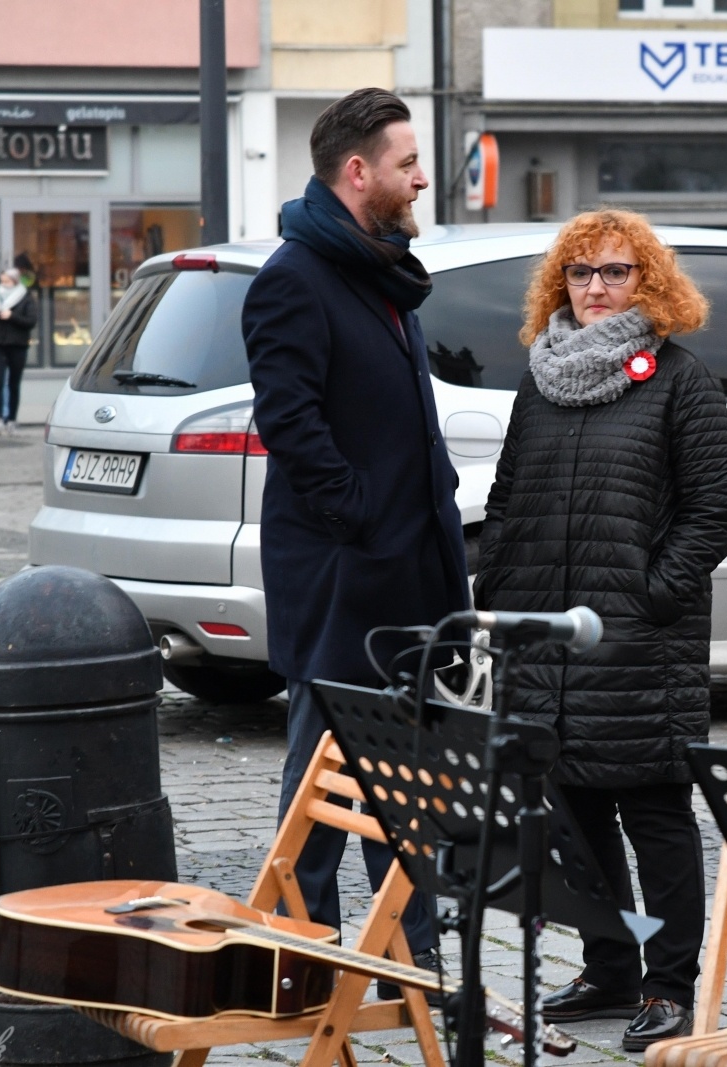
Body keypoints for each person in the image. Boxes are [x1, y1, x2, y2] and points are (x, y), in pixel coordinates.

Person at [476, 209, 727, 1050]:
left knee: (654, 817)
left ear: (648, 282)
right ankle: (609, 967)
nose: (597, 287)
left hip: (637, 641)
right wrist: (500, 590)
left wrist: (649, 597)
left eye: (616, 271)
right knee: (571, 812)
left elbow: (713, 516)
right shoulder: (540, 381)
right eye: (582, 272)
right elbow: (509, 500)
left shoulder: (678, 379)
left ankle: (667, 985)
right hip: (550, 643)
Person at [241, 87, 465, 981]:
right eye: (408, 163)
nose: (420, 179)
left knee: (401, 776)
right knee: (322, 780)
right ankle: (301, 951)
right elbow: (290, 426)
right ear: (359, 171)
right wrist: (361, 518)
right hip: (344, 574)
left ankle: (413, 952)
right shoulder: (294, 278)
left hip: (410, 573)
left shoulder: (382, 271)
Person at [0, 268, 36, 435]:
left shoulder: (25, 297)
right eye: (2, 281)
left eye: (7, 282)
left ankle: (11, 419)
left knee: (13, 383)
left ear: (15, 281)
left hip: (17, 344)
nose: (4, 285)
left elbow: (31, 321)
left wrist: (11, 315)